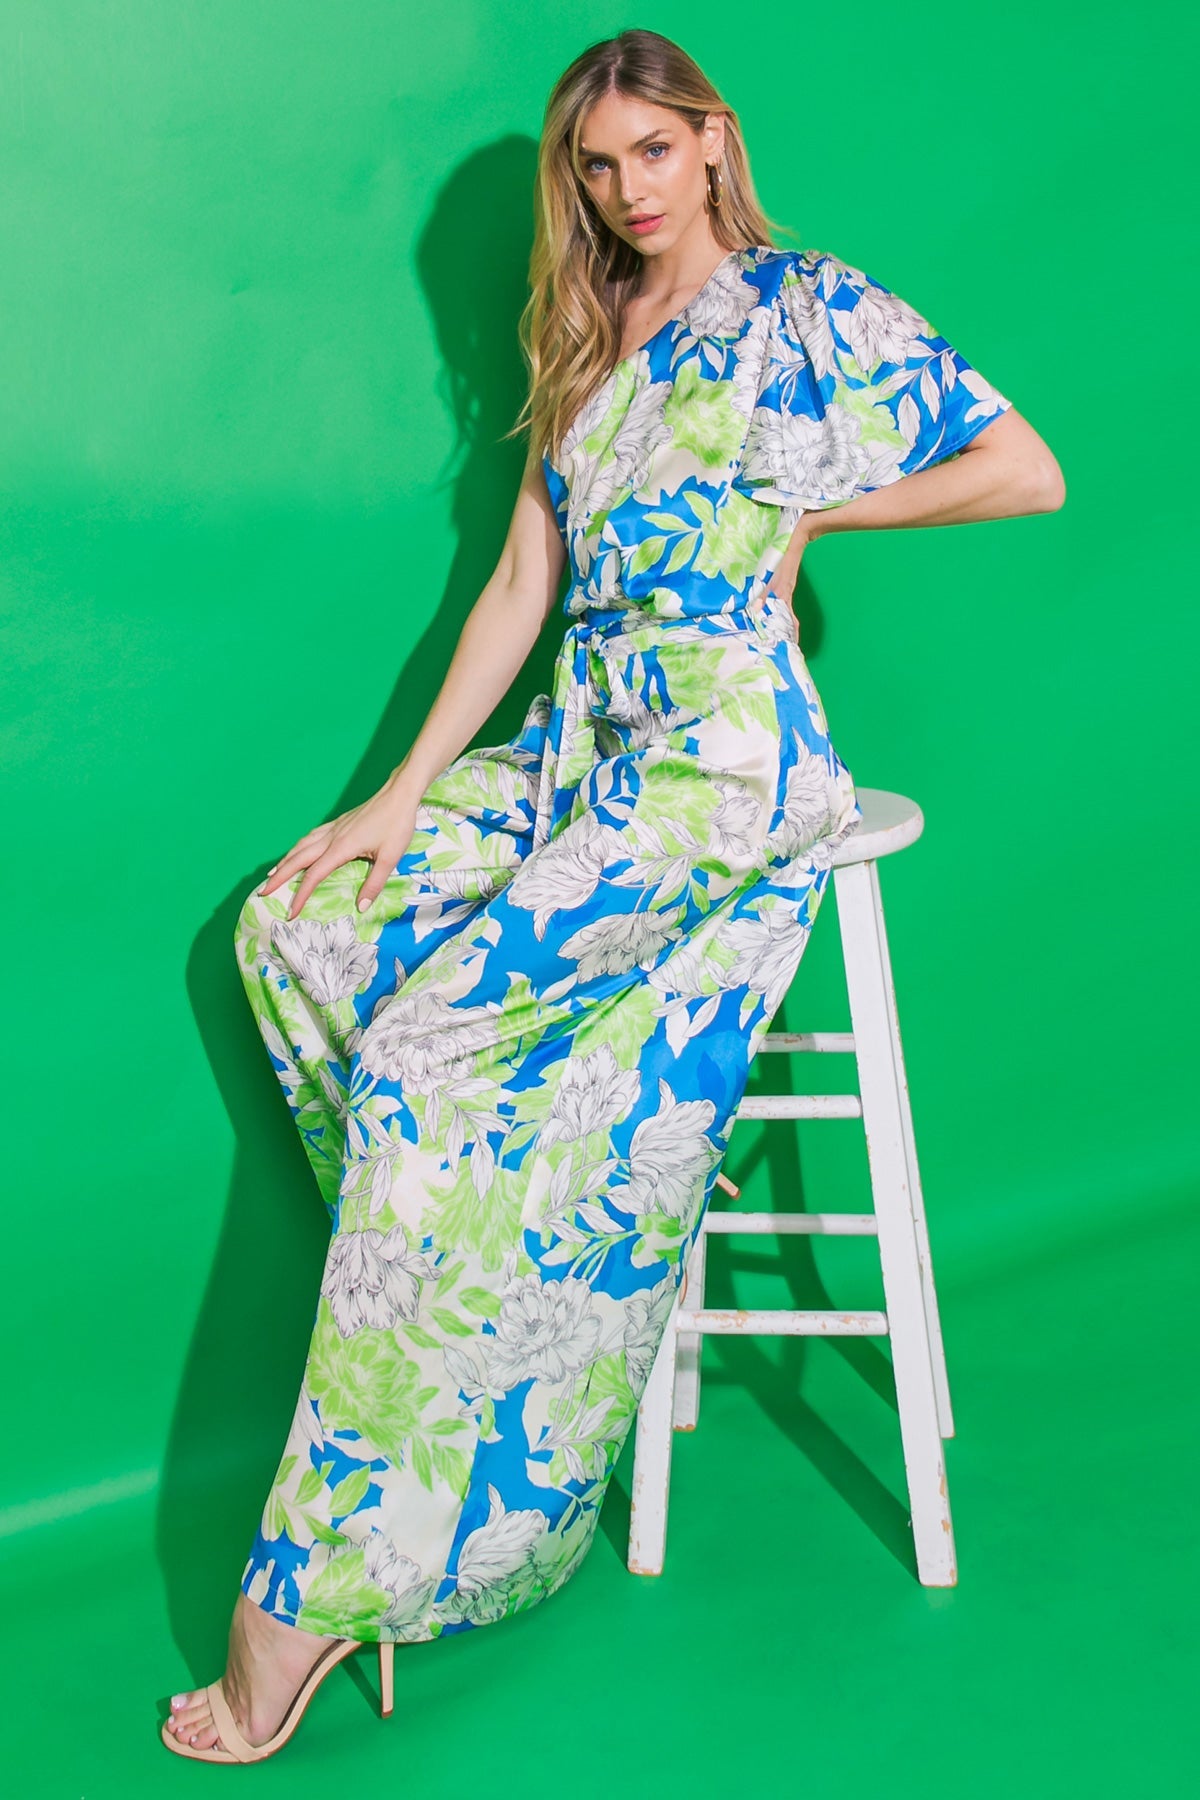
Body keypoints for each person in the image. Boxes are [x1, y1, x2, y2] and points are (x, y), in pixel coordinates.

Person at [161, 25, 1064, 1766]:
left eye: (655, 149)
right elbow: (522, 581)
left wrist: (816, 519)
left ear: (713, 143)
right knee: (297, 932)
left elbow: (1027, 468)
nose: (628, 188)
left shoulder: (805, 308)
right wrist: (395, 796)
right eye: (598, 162)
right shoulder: (587, 331)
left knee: (425, 1059)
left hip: (721, 761)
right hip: (581, 743)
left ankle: (313, 1598)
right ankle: (516, 1323)